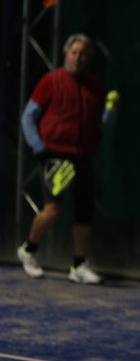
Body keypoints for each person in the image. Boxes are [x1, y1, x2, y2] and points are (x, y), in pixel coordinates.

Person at [17, 33, 118, 285]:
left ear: (89, 58)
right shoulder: (51, 81)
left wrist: (111, 109)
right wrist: (39, 148)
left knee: (84, 212)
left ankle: (78, 265)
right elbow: (28, 116)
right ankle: (28, 250)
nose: (78, 57)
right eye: (74, 52)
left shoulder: (95, 86)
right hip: (54, 157)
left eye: (83, 53)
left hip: (83, 157)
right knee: (53, 209)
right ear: (66, 54)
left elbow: (104, 123)